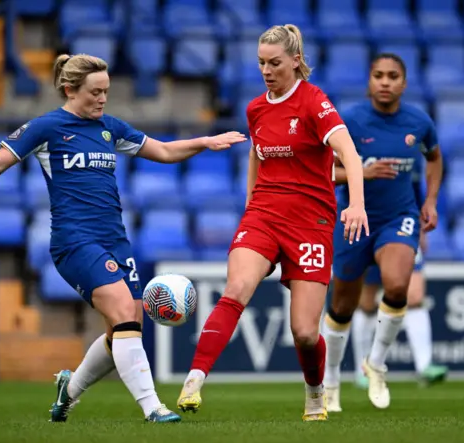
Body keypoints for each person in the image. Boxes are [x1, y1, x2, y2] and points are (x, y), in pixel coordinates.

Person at [0, 53, 246, 424]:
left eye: (106, 91)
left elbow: (164, 151)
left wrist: (205, 141)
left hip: (115, 239)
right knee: (123, 314)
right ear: (70, 90)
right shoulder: (47, 128)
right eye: (95, 92)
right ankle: (153, 407)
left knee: (123, 324)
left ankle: (67, 393)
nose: (102, 99)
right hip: (75, 241)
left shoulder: (110, 127)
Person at [175, 24, 368, 422]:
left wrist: (358, 205)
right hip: (264, 214)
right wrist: (250, 205)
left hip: (311, 221)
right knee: (238, 286)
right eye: (261, 62)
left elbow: (348, 152)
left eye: (274, 62)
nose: (266, 70)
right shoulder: (256, 108)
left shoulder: (314, 102)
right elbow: (256, 155)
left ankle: (315, 391)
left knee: (304, 332)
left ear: (295, 61)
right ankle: (194, 378)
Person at [321, 53, 444, 412]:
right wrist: (363, 172)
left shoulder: (419, 123)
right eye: (378, 75)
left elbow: (434, 158)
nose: (386, 81)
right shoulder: (351, 122)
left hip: (399, 217)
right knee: (342, 305)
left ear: (404, 83)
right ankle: (330, 382)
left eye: (393, 76)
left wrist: (431, 201)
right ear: (369, 81)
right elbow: (324, 169)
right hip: (355, 219)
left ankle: (376, 364)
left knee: (396, 284)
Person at [350, 159, 448, 392]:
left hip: (402, 226)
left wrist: (419, 226)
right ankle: (362, 369)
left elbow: (413, 188)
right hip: (367, 228)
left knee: (414, 296)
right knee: (366, 302)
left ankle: (424, 366)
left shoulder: (409, 143)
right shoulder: (360, 136)